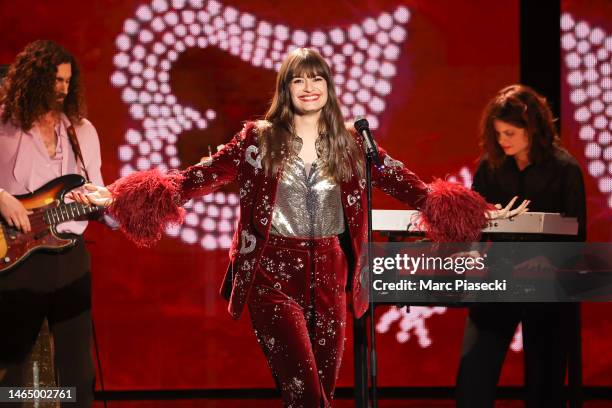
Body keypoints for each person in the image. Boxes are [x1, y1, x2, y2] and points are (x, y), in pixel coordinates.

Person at [75, 48, 523, 407]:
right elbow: (196, 177)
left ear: (329, 86)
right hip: (271, 275)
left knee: (320, 396)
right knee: (306, 397)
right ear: (285, 88)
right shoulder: (258, 138)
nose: (309, 87)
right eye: (298, 79)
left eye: (317, 78)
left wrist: (478, 213)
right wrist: (116, 195)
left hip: (330, 273)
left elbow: (411, 187)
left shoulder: (352, 142)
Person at [455, 84, 587, 408]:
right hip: (499, 275)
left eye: (510, 132)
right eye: (498, 133)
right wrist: (472, 256)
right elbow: (475, 222)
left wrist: (547, 258)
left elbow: (577, 232)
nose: (503, 141)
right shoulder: (491, 166)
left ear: (533, 129)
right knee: (474, 370)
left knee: (546, 378)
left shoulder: (565, 169)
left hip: (547, 283)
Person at [0, 40, 106, 407]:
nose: (62, 89)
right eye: (54, 81)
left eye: (67, 81)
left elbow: (100, 195)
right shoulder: (3, 126)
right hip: (15, 257)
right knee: (11, 368)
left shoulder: (83, 131)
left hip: (70, 258)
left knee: (77, 368)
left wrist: (106, 204)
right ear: (31, 80)